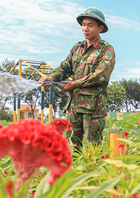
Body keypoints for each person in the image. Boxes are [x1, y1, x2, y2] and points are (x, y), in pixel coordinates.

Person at [40, 8, 116, 147]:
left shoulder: (106, 50)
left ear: (100, 28)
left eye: (90, 25)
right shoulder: (77, 48)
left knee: (93, 148)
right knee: (71, 146)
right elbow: (65, 67)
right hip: (73, 107)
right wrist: (52, 77)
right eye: (83, 25)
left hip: (93, 109)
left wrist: (74, 84)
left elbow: (101, 75)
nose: (85, 28)